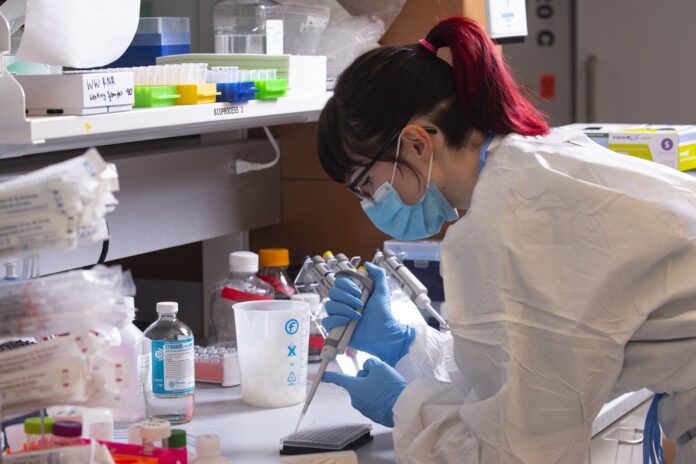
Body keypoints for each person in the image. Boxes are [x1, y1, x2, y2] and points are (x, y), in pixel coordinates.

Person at [315, 16, 696, 464]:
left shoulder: (512, 220)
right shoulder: (531, 166)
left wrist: (404, 408)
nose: (369, 204)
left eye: (365, 184)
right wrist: (409, 345)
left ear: (417, 145)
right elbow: (521, 367)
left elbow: (519, 450)